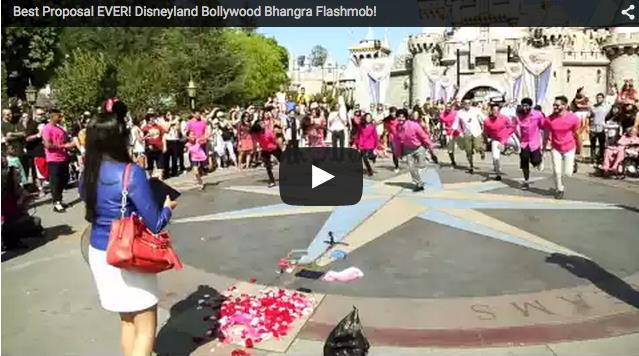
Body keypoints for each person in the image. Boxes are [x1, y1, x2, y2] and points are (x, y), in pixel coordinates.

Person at [80, 100, 177, 356]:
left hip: (100, 252)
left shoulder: (87, 172)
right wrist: (167, 206)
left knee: (127, 321)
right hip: (127, 252)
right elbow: (156, 222)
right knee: (146, 326)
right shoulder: (130, 172)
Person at [543, 96, 581, 199]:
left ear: (564, 106)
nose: (554, 107)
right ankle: (559, 189)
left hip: (569, 147)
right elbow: (546, 135)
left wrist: (579, 149)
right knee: (556, 171)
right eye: (554, 105)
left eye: (557, 105)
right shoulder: (549, 119)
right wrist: (543, 150)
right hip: (555, 147)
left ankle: (573, 163)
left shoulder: (573, 118)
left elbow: (577, 134)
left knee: (568, 173)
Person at [392, 109, 437, 192]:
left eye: (403, 117)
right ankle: (419, 183)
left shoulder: (414, 125)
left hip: (419, 148)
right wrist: (398, 153)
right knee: (411, 167)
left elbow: (424, 136)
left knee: (421, 165)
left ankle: (425, 160)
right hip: (408, 149)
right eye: (399, 117)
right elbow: (397, 141)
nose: (401, 119)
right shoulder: (397, 128)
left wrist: (431, 148)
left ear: (406, 117)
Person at [42, 109, 74, 213]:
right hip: (53, 158)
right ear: (52, 116)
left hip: (63, 157)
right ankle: (56, 202)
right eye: (58, 116)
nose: (60, 118)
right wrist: (62, 146)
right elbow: (47, 145)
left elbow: (65, 140)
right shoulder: (47, 128)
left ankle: (59, 199)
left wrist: (69, 146)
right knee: (55, 181)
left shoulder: (60, 129)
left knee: (63, 180)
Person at [516, 98, 545, 190]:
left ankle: (539, 161)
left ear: (530, 106)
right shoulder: (519, 115)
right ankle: (526, 180)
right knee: (524, 161)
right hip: (524, 143)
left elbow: (543, 126)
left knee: (535, 161)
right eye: (523, 105)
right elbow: (514, 126)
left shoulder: (537, 115)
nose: (524, 108)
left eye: (526, 106)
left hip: (534, 142)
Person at [483, 102, 518, 181]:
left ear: (499, 111)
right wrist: (485, 142)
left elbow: (512, 127)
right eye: (494, 110)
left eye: (497, 110)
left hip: (507, 138)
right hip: (496, 140)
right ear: (491, 111)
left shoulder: (504, 118)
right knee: (495, 157)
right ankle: (498, 173)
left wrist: (505, 138)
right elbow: (485, 132)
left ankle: (509, 150)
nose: (496, 112)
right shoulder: (487, 121)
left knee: (519, 148)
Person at [457, 99, 485, 174]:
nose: (467, 104)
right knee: (468, 151)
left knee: (477, 147)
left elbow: (484, 118)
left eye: (469, 103)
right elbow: (456, 123)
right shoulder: (459, 113)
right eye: (465, 103)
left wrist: (486, 126)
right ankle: (471, 165)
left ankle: (482, 151)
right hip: (467, 133)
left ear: (471, 103)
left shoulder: (476, 110)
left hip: (476, 132)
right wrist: (456, 132)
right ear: (462, 104)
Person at [258, 113, 281, 188]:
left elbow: (275, 140)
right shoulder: (258, 133)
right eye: (260, 124)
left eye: (262, 124)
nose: (261, 125)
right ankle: (272, 181)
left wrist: (279, 147)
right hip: (265, 150)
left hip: (273, 148)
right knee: (268, 166)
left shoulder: (268, 132)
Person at [589, 93, 611, 165]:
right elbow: (589, 116)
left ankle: (601, 158)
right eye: (597, 97)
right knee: (593, 145)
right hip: (593, 128)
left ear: (603, 98)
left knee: (602, 144)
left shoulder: (607, 107)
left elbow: (609, 115)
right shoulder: (593, 107)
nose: (599, 99)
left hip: (602, 128)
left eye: (600, 97)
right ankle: (593, 159)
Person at [439, 102, 461, 168]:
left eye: (449, 107)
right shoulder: (442, 115)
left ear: (452, 107)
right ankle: (453, 161)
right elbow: (441, 123)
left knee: (461, 146)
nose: (448, 108)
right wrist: (442, 130)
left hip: (457, 132)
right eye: (447, 107)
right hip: (449, 133)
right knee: (450, 149)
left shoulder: (456, 113)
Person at [383, 107, 400, 172]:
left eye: (394, 112)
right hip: (392, 137)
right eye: (392, 112)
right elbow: (385, 128)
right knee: (394, 153)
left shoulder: (399, 118)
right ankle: (396, 166)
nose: (393, 113)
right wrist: (385, 132)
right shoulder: (387, 120)